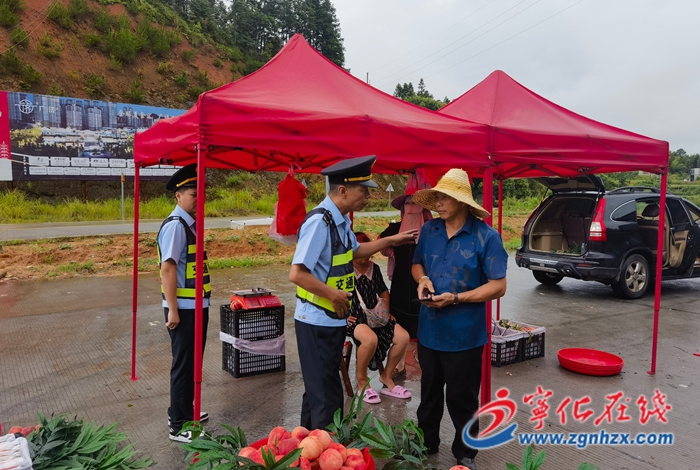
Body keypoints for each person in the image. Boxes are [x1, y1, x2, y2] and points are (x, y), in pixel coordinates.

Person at [289, 155, 418, 430]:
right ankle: (325, 444)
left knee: (319, 389)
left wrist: (391, 240)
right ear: (343, 190)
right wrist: (333, 294)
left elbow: (355, 251)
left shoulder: (340, 221)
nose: (369, 197)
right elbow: (297, 274)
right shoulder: (320, 223)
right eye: (364, 190)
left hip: (332, 320)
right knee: (326, 395)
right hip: (316, 321)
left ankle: (307, 442)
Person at [410, 168, 508, 470]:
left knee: (462, 398)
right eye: (436, 198)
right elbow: (416, 264)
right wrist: (422, 279)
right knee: (429, 394)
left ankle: (466, 452)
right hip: (429, 330)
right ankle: (425, 442)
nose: (438, 203)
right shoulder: (430, 230)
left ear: (463, 201)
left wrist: (456, 298)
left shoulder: (486, 237)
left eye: (445, 198)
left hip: (464, 335)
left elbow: (498, 286)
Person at [157, 164, 210, 443]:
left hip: (195, 308)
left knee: (192, 364)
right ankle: (178, 425)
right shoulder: (177, 226)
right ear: (178, 196)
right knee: (184, 366)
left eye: (201, 193)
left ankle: (183, 411)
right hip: (184, 311)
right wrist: (173, 311)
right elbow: (167, 269)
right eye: (193, 194)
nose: (198, 199)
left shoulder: (190, 224)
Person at [346, 232, 411, 404]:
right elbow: (333, 294)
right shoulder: (343, 269)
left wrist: (386, 312)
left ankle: (386, 376)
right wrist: (343, 316)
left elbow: (383, 290)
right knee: (370, 339)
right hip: (354, 318)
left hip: (375, 316)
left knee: (403, 337)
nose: (365, 255)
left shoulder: (374, 268)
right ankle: (362, 381)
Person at [380, 173, 433, 346]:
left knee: (423, 321)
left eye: (415, 203)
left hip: (424, 279)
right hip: (400, 280)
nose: (410, 207)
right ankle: (402, 355)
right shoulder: (395, 229)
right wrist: (391, 251)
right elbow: (379, 242)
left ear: (422, 208)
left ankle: (420, 353)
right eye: (407, 203)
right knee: (400, 325)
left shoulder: (431, 229)